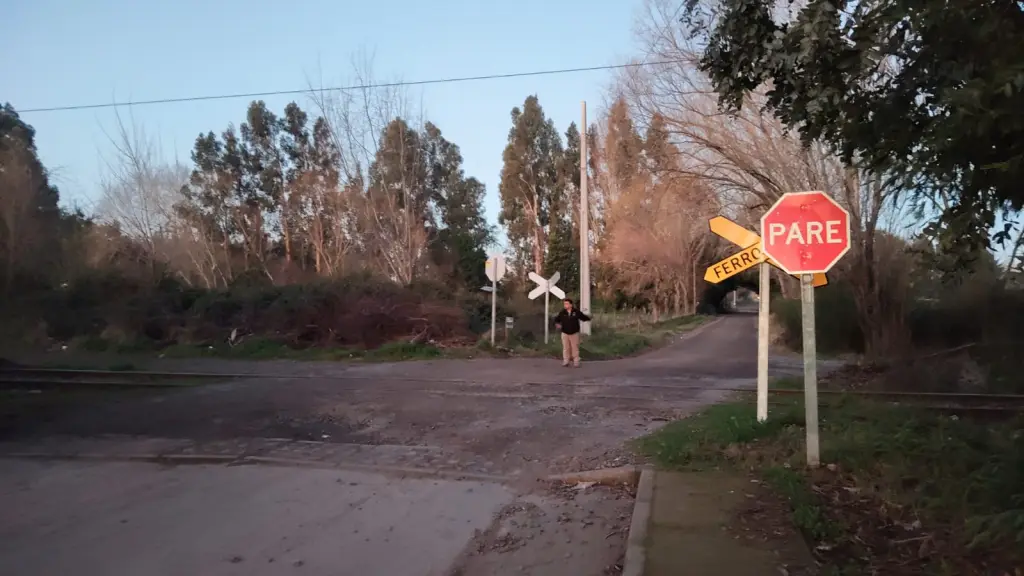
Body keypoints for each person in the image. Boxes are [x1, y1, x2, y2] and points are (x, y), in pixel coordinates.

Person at [554, 298, 590, 367]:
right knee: (566, 348)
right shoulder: (562, 312)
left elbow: (583, 317)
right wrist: (557, 324)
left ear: (571, 305)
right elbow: (557, 319)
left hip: (574, 333)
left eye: (567, 304)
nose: (565, 305)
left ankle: (576, 362)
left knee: (575, 348)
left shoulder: (576, 312)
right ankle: (566, 361)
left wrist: (589, 318)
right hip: (565, 333)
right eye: (564, 304)